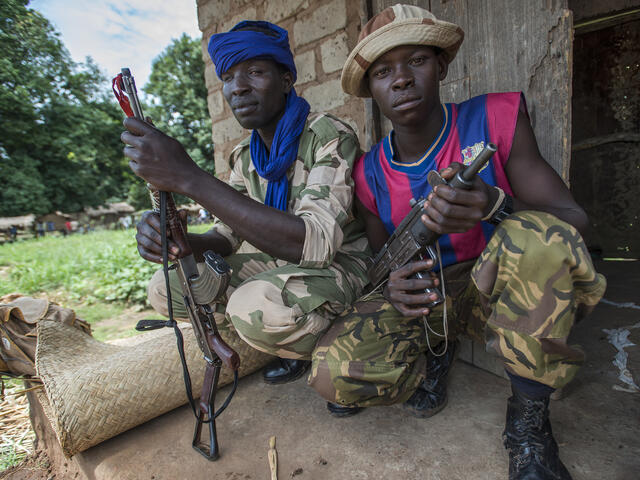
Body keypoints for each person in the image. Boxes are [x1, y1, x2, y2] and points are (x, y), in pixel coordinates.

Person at [307, 5, 606, 480]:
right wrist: (390, 290)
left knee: (539, 238)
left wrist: (496, 206)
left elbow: (573, 221)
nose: (401, 80)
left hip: (499, 292)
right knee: (332, 374)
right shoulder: (368, 173)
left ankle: (528, 426)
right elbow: (382, 262)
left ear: (442, 66)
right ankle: (432, 355)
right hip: (429, 301)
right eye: (383, 72)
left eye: (416, 62)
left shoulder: (494, 117)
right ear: (371, 92)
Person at [121, 21, 370, 389]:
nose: (237, 87)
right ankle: (291, 345)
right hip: (287, 269)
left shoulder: (328, 137)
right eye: (228, 76)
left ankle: (347, 350)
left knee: (253, 305)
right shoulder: (244, 157)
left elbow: (313, 244)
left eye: (254, 72)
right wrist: (179, 240)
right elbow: (226, 236)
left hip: (343, 267)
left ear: (286, 80)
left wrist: (190, 178)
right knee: (166, 286)